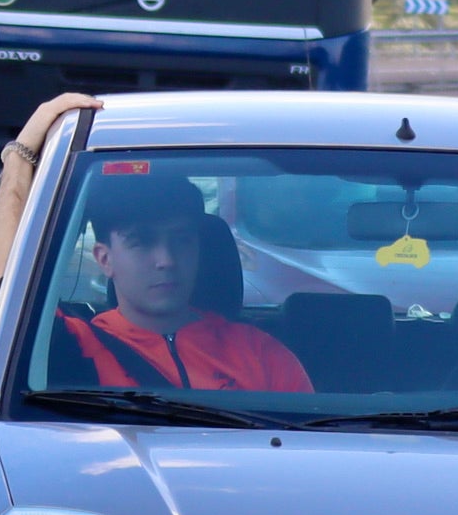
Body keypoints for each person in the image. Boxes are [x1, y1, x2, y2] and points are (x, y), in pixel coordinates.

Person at [56, 165, 313, 393]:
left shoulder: (262, 354)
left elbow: (305, 445)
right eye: (142, 242)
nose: (166, 260)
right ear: (104, 259)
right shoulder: (74, 343)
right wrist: (19, 156)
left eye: (182, 240)